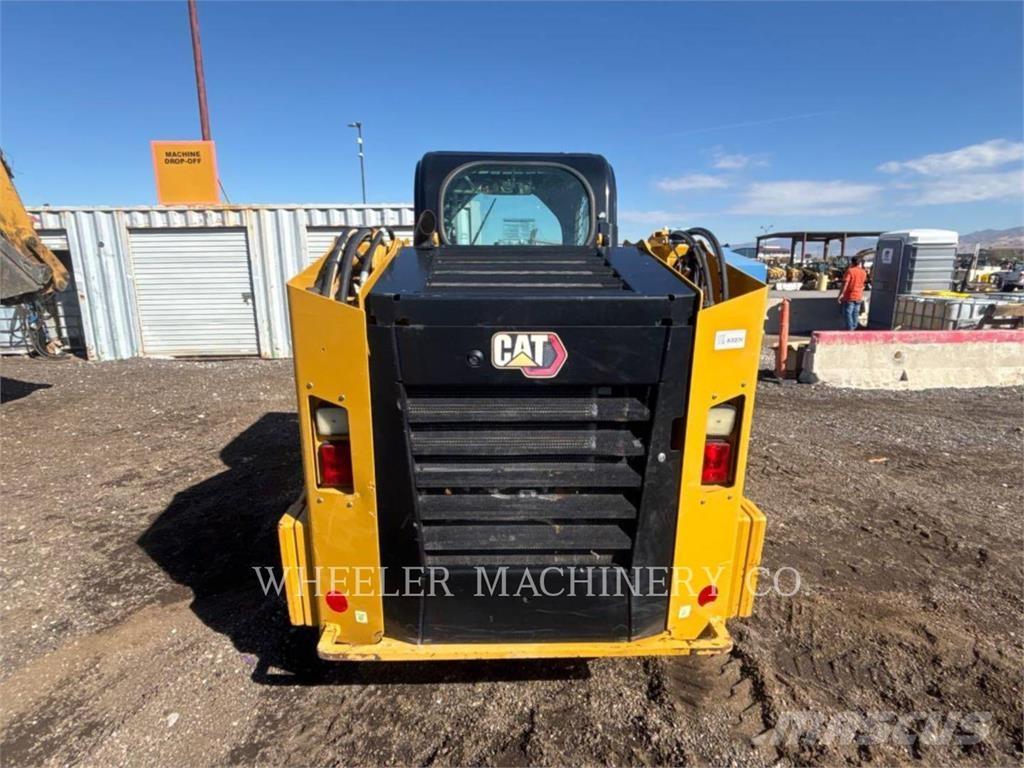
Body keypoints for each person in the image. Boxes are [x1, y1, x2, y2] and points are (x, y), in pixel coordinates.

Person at [838, 256, 868, 330]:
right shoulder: (863, 272)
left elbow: (846, 283)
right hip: (859, 295)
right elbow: (863, 283)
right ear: (860, 263)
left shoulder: (850, 271)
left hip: (850, 295)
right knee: (856, 313)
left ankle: (850, 328)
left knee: (848, 312)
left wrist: (841, 294)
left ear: (852, 262)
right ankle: (854, 327)